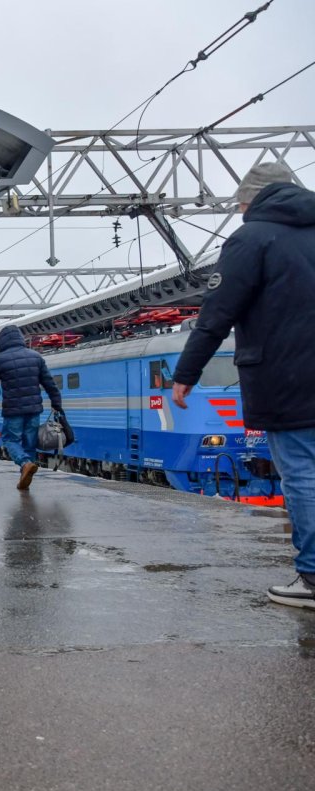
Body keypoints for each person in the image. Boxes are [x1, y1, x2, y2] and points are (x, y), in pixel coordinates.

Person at [170, 162, 315, 611]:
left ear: (251, 200)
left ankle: (311, 578)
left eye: (240, 205)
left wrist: (186, 373)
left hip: (287, 376)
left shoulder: (252, 239)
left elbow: (217, 314)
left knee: (303, 472)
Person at [0, 325, 62, 491]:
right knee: (29, 443)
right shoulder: (36, 357)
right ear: (20, 338)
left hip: (13, 410)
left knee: (10, 439)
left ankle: (25, 463)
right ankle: (24, 476)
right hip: (34, 409)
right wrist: (57, 404)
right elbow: (50, 383)